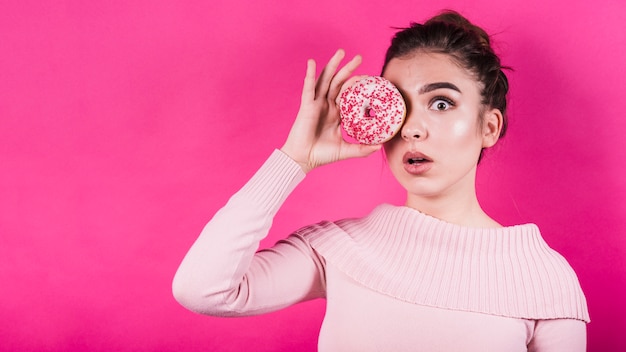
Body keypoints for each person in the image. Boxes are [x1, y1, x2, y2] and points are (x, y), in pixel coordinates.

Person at [172, 10, 589, 351]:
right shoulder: (336, 248)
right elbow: (203, 289)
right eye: (396, 106)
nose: (412, 129)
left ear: (489, 127)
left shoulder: (543, 279)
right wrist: (293, 159)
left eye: (441, 103)